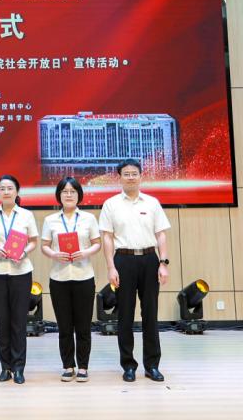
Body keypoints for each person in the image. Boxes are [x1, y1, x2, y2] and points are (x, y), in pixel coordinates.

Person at [99, 159, 171, 383]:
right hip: (123, 260)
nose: (130, 177)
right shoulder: (111, 204)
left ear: (141, 176)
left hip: (150, 259)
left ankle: (152, 365)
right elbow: (107, 237)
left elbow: (160, 234)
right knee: (125, 316)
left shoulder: (152, 203)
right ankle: (128, 366)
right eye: (126, 174)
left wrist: (163, 263)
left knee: (150, 314)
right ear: (119, 177)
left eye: (134, 173)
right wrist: (111, 266)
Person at [0, 174, 38, 384]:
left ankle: (19, 367)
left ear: (17, 191)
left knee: (19, 322)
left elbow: (33, 241)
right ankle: (5, 367)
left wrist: (24, 252)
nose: (6, 192)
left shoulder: (26, 215)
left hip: (21, 271)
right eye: (2, 188)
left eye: (10, 188)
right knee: (2, 321)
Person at [40, 177, 100, 382]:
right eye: (64, 191)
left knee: (83, 326)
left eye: (72, 191)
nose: (68, 195)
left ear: (78, 195)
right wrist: (54, 254)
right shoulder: (50, 220)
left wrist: (85, 252)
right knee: (64, 326)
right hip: (59, 277)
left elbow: (97, 243)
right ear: (59, 195)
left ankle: (83, 366)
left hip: (84, 276)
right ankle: (68, 365)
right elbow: (44, 246)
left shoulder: (89, 218)